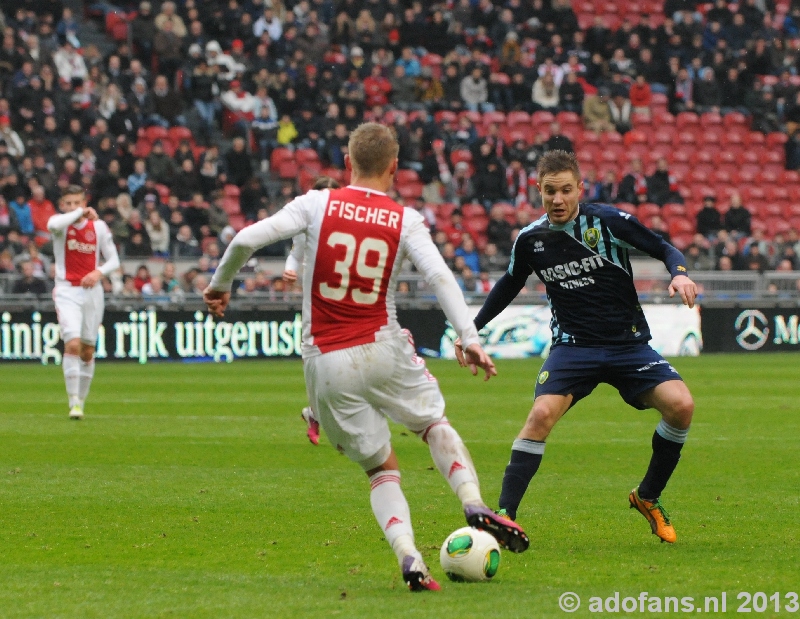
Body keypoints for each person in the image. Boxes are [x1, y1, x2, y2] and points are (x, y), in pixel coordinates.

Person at [204, 123, 529, 591]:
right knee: (433, 425)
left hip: (328, 360)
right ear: (395, 167)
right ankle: (474, 501)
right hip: (384, 344)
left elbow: (244, 241)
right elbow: (439, 277)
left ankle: (410, 557)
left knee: (382, 468)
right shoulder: (404, 218)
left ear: (347, 164)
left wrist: (219, 286)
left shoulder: (317, 202)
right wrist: (469, 337)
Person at [456, 150, 697, 545]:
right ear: (539, 190)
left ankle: (647, 497)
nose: (558, 199)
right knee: (539, 417)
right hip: (574, 348)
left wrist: (679, 275)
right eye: (550, 191)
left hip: (627, 345)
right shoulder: (531, 239)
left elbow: (666, 249)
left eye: (566, 190)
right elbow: (508, 285)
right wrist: (471, 330)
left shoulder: (607, 222)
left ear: (579, 189)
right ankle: (504, 517)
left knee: (682, 406)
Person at [48, 186, 120, 420]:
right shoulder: (61, 225)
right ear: (62, 205)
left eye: (76, 203)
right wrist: (80, 212)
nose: (72, 207)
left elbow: (114, 260)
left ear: (84, 201)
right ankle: (73, 403)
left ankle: (81, 400)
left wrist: (98, 272)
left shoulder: (98, 227)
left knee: (88, 350)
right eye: (68, 203)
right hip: (67, 290)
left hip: (92, 292)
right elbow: (52, 225)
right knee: (72, 344)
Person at [282, 176, 342, 447]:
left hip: (345, 292)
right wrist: (290, 266)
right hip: (316, 293)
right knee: (313, 351)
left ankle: (319, 413)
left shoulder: (345, 219)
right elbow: (297, 252)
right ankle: (316, 412)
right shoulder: (307, 222)